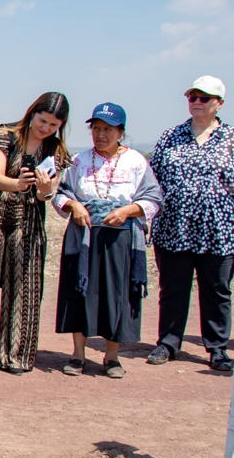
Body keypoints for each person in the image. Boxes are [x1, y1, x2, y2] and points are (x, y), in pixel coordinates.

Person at [0, 93, 71, 374]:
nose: (45, 128)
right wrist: (19, 184)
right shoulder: (5, 135)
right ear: (32, 112)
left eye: (53, 125)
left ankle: (16, 356)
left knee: (24, 289)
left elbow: (49, 192)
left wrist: (45, 190)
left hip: (30, 220)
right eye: (42, 120)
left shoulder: (56, 150)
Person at [54, 103, 163, 378]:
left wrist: (127, 211)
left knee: (116, 293)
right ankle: (78, 354)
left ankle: (111, 356)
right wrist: (73, 206)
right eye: (96, 128)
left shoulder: (136, 161)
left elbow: (153, 198)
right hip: (84, 234)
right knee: (80, 291)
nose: (101, 135)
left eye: (108, 129)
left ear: (121, 133)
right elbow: (60, 194)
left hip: (120, 237)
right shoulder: (78, 161)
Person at [147, 76, 234, 371]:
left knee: (217, 290)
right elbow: (153, 179)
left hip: (219, 231)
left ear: (219, 103)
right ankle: (168, 343)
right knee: (173, 288)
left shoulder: (232, 139)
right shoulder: (170, 136)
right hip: (174, 228)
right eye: (192, 97)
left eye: (204, 98)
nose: (196, 102)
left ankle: (218, 349)